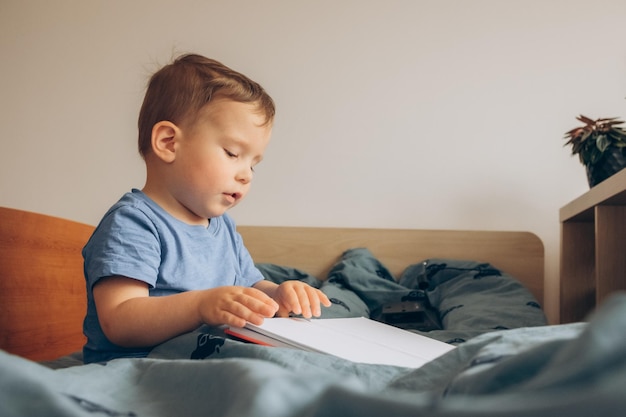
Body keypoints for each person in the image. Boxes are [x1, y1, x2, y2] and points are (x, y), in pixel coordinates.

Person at [82, 54, 331, 363]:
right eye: (232, 153)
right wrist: (200, 305)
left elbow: (250, 286)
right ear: (169, 142)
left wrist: (277, 295)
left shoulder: (222, 226)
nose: (246, 174)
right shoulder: (133, 222)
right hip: (139, 366)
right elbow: (120, 320)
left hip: (204, 361)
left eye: (254, 164)